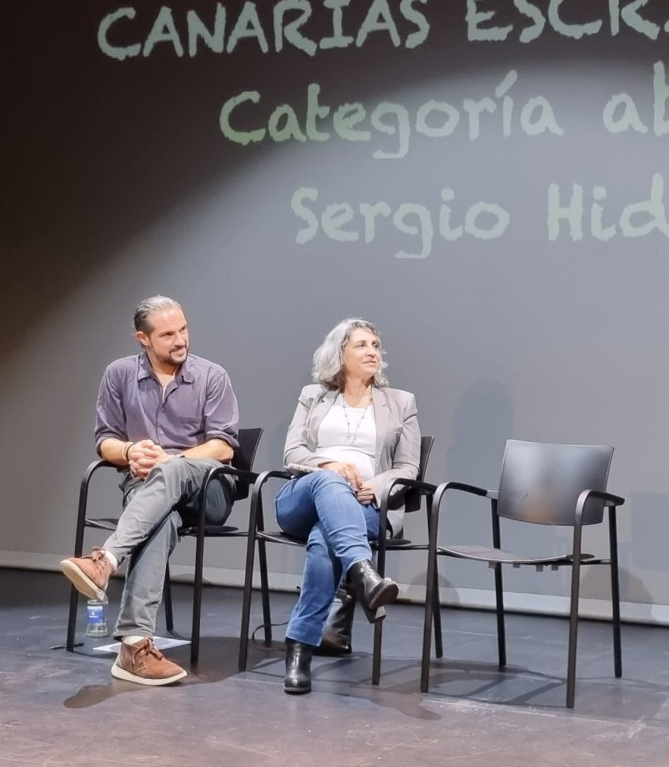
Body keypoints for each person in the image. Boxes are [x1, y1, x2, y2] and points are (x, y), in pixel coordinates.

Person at [60, 296, 240, 686]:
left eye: (184, 330)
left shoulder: (212, 376)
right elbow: (105, 440)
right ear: (142, 338)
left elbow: (224, 446)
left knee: (171, 473)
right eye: (168, 334)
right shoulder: (119, 374)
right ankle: (135, 647)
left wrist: (171, 460)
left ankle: (105, 559)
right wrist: (128, 451)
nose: (181, 340)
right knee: (160, 522)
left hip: (207, 491)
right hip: (146, 490)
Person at [276, 317, 421, 693]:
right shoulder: (314, 395)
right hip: (303, 495)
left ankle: (299, 650)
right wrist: (330, 466)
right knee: (329, 481)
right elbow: (292, 452)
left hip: (366, 505)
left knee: (325, 541)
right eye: (362, 345)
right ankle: (362, 571)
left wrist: (375, 484)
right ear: (339, 354)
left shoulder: (401, 402)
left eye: (376, 345)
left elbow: (408, 467)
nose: (373, 351)